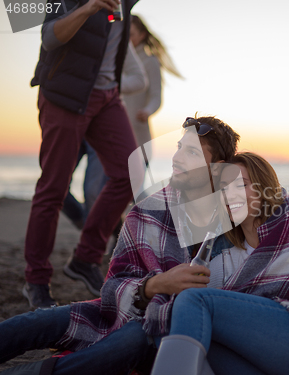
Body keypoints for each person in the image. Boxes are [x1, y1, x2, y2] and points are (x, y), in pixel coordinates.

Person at [0, 116, 240, 374]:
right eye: (179, 147)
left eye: (191, 151)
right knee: (40, 320)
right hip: (123, 313)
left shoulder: (238, 221)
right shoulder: (148, 211)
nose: (177, 158)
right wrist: (154, 286)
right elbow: (111, 289)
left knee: (132, 341)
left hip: (168, 331)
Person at [150, 152, 289, 375]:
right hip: (263, 355)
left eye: (242, 184)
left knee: (193, 300)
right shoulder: (224, 251)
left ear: (263, 187)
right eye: (224, 189)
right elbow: (224, 307)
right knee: (171, 324)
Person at [24, 0, 141, 308]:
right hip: (64, 96)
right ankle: (36, 280)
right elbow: (49, 37)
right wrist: (88, 8)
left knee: (131, 172)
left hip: (107, 98)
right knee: (53, 189)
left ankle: (86, 258)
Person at [61, 41, 148, 231]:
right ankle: (88, 228)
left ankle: (99, 240)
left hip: (100, 124)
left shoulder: (117, 38)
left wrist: (104, 81)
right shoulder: (72, 27)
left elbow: (142, 82)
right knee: (56, 187)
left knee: (94, 192)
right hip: (72, 120)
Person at [125, 14, 183, 155]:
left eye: (131, 35)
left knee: (135, 172)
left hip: (137, 131)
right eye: (125, 34)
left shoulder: (150, 62)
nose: (127, 39)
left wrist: (147, 111)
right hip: (112, 129)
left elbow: (156, 97)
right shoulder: (116, 57)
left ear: (142, 35)